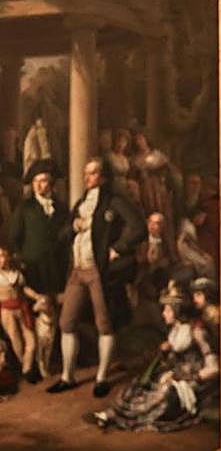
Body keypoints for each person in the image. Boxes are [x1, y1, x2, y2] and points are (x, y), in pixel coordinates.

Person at [49, 157, 146, 397]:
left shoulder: (113, 201)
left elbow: (138, 227)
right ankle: (67, 377)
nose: (87, 178)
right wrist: (73, 227)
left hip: (98, 271)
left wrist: (119, 248)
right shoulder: (81, 203)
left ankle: (102, 378)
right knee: (66, 323)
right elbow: (62, 235)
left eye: (92, 173)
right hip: (77, 270)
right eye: (85, 173)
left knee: (104, 323)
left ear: (103, 176)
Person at [84, 285, 218, 432]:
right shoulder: (176, 329)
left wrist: (186, 378)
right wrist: (166, 355)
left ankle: (115, 418)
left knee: (165, 393)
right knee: (137, 386)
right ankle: (108, 415)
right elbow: (174, 361)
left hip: (193, 384)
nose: (163, 314)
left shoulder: (198, 331)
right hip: (174, 376)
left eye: (167, 310)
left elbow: (214, 368)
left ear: (177, 311)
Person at [8, 158, 69, 299]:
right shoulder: (24, 208)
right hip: (32, 267)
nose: (38, 185)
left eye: (43, 181)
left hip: (56, 265)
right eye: (35, 181)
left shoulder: (61, 208)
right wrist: (22, 260)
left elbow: (65, 236)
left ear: (51, 183)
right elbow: (14, 237)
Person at [0, 246, 37, 383]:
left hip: (22, 309)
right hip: (6, 312)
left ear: (8, 257)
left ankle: (27, 368)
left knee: (32, 341)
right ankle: (26, 370)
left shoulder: (17, 274)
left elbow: (24, 289)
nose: (1, 259)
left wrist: (37, 296)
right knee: (16, 342)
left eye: (3, 255)